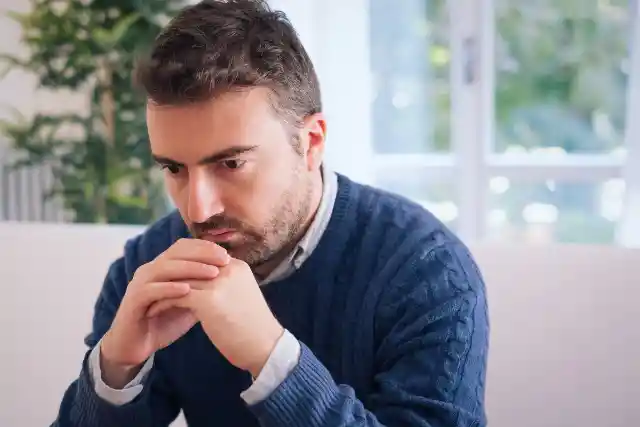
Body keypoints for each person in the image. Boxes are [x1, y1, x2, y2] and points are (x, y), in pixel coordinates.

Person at [52, 1, 489, 426]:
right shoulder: (147, 266)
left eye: (231, 164)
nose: (198, 209)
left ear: (312, 142)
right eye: (173, 168)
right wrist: (116, 368)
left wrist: (271, 357)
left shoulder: (427, 272)